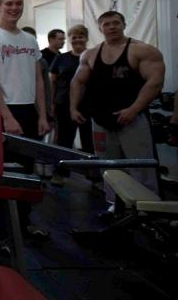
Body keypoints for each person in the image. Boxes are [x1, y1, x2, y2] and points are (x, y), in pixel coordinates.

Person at [0, 0, 50, 244]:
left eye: (18, 4)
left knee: (27, 172)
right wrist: (6, 117)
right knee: (2, 172)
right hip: (3, 111)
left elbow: (38, 80)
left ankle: (23, 223)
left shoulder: (29, 40)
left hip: (28, 111)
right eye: (9, 4)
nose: (14, 8)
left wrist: (42, 114)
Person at [70, 11, 164, 203]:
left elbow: (155, 82)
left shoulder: (142, 50)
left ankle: (147, 207)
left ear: (124, 25)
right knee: (108, 166)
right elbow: (78, 82)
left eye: (116, 23)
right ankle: (114, 205)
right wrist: (73, 108)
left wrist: (134, 109)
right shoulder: (90, 54)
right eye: (107, 24)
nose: (112, 27)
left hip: (132, 118)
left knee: (140, 165)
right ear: (100, 28)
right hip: (101, 120)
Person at [49, 24, 95, 185]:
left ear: (86, 38)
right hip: (63, 104)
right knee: (64, 141)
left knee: (89, 141)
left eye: (81, 36)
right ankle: (61, 173)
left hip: (89, 105)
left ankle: (94, 176)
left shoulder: (93, 57)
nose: (77, 40)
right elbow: (52, 82)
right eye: (74, 37)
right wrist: (51, 103)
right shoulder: (61, 58)